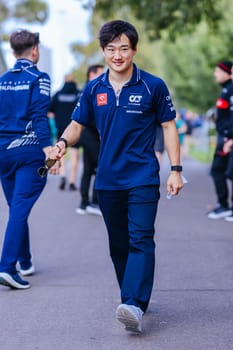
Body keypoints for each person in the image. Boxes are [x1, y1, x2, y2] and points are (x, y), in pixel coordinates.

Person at [51, 20, 183, 333]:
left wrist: (176, 170)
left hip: (142, 176)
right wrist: (60, 143)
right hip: (108, 180)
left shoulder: (153, 86)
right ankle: (134, 299)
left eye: (124, 48)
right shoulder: (94, 89)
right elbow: (76, 125)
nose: (118, 54)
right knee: (118, 245)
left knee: (140, 238)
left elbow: (168, 127)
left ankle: (133, 303)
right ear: (103, 51)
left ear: (134, 50)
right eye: (111, 49)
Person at [0, 29, 55, 289]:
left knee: (16, 209)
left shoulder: (1, 81)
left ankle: (25, 261)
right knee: (20, 208)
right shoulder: (39, 77)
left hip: (3, 154)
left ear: (13, 52)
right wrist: (48, 150)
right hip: (30, 154)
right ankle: (7, 267)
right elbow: (38, 116)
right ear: (35, 50)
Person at [76, 64, 104, 216]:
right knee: (100, 168)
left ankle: (84, 203)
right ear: (92, 74)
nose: (103, 76)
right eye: (100, 73)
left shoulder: (88, 89)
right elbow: (90, 116)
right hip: (91, 135)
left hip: (88, 136)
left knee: (88, 170)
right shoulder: (91, 90)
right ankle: (93, 202)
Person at [207, 61, 233, 220]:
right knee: (218, 170)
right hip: (225, 137)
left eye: (218, 71)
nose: (215, 74)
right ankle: (223, 206)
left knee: (229, 172)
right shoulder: (226, 90)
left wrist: (230, 138)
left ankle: (227, 206)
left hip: (228, 138)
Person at [48, 74, 82, 191]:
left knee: (60, 151)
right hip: (74, 127)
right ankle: (72, 181)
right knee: (74, 154)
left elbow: (50, 111)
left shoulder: (58, 94)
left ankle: (63, 176)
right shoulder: (78, 93)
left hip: (60, 127)